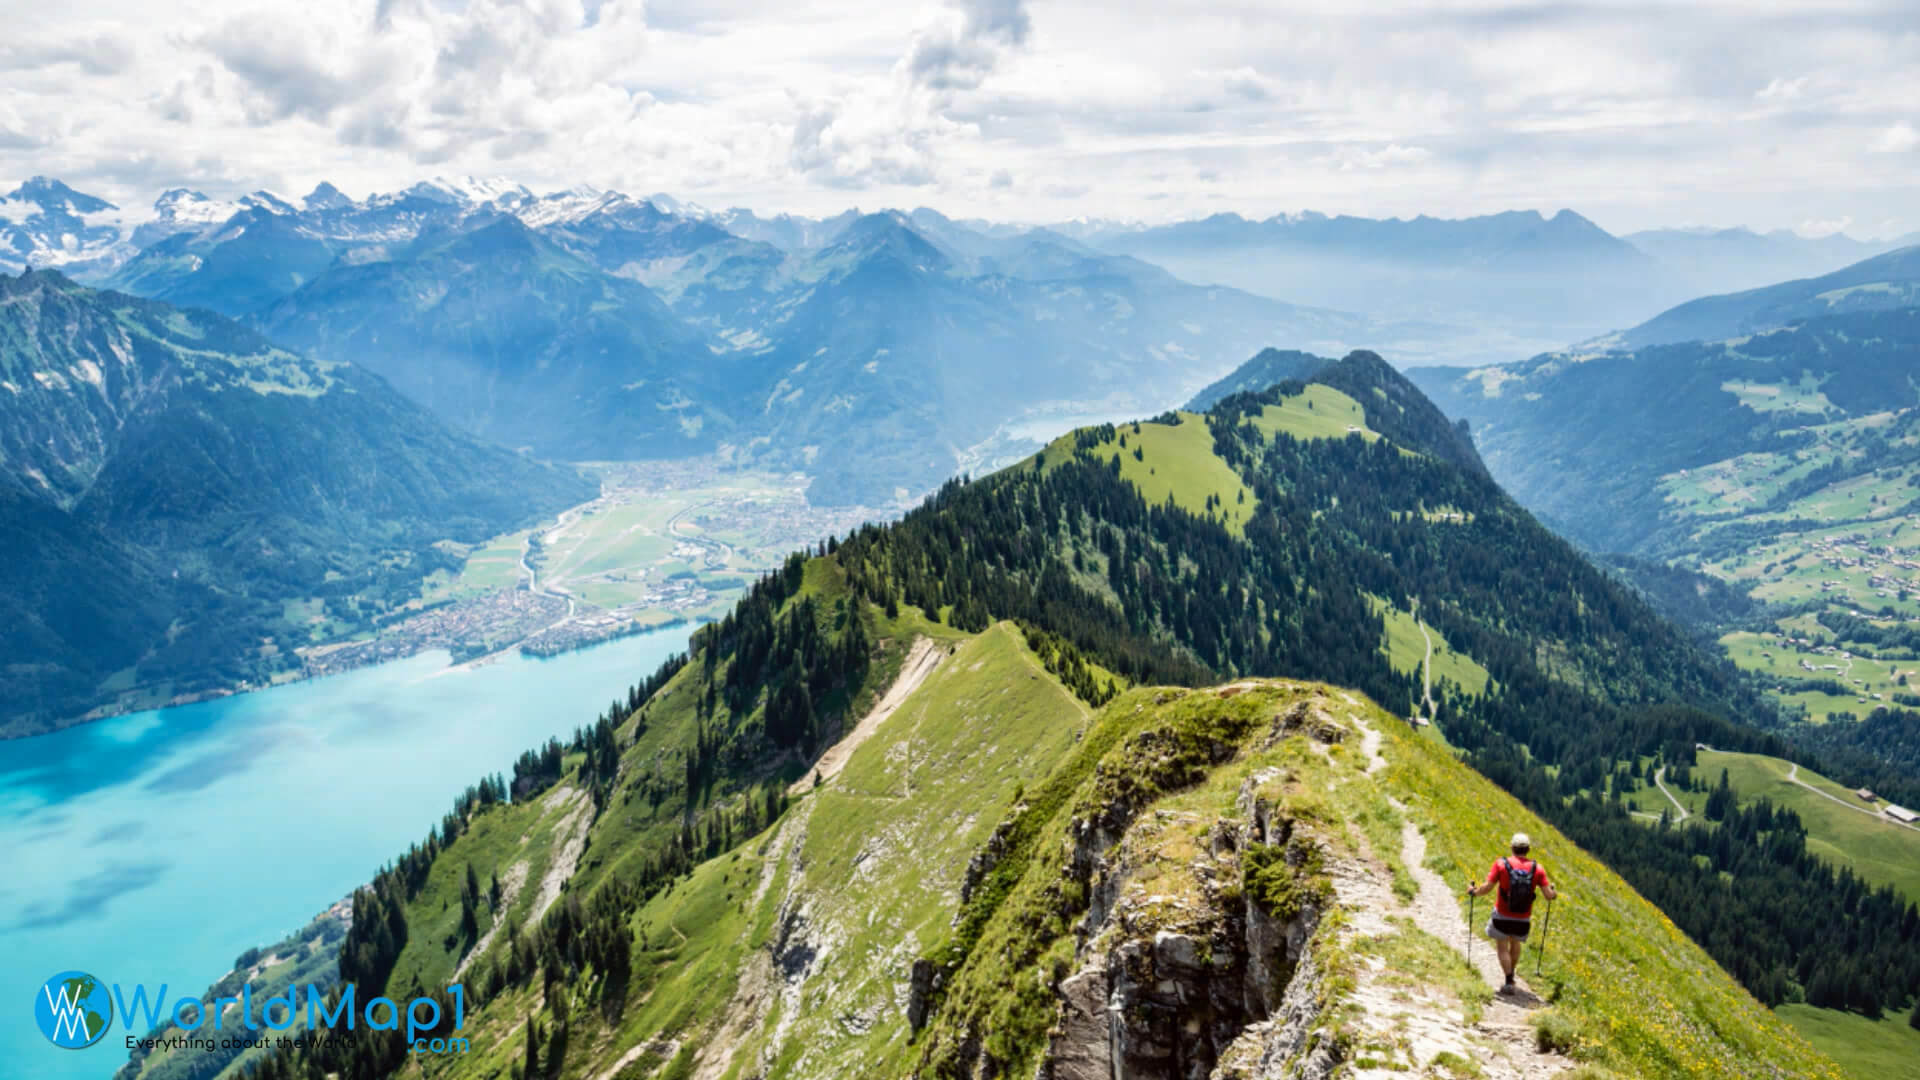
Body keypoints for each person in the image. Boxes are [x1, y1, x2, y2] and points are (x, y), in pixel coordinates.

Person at [1466, 832, 1557, 993]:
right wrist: (1554, 893)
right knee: (1515, 944)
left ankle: (1508, 980)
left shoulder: (1501, 864)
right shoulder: (1538, 869)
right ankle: (1511, 975)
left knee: (1502, 947)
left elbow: (1487, 888)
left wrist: (1473, 891)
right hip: (1523, 918)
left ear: (1512, 847)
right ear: (1528, 849)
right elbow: (1549, 895)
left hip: (1502, 914)